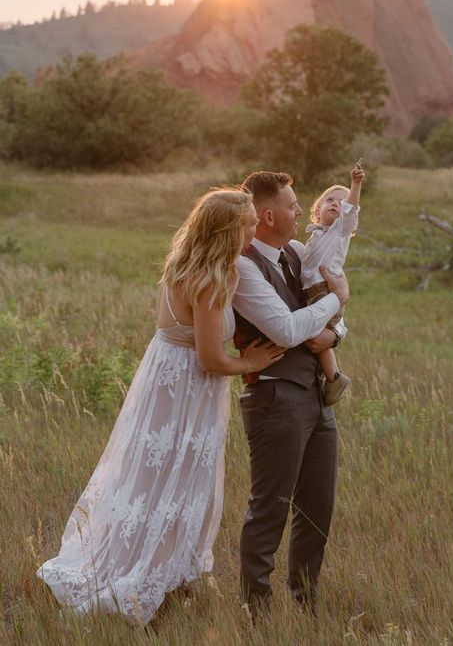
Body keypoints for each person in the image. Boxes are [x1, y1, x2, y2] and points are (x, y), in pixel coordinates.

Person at [36, 188, 285, 626]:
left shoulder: (180, 265)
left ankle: (161, 569)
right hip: (190, 387)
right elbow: (211, 359)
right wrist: (252, 361)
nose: (252, 229)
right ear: (227, 231)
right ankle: (151, 576)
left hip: (163, 379)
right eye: (247, 224)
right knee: (181, 480)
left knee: (150, 478)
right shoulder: (212, 279)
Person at [232, 171, 349, 618]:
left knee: (318, 508)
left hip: (316, 397)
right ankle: (256, 615)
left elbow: (326, 324)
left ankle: (306, 606)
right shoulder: (243, 266)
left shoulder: (298, 253)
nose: (301, 212)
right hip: (274, 399)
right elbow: (285, 327)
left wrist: (334, 333)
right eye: (293, 205)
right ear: (267, 215)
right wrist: (337, 302)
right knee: (270, 511)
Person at [301, 160, 365, 405]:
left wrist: (355, 184)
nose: (336, 204)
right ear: (316, 210)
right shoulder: (315, 236)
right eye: (330, 200)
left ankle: (334, 377)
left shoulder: (340, 232)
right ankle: (329, 376)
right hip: (313, 292)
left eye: (342, 202)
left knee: (317, 334)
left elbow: (351, 210)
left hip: (325, 291)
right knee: (314, 333)